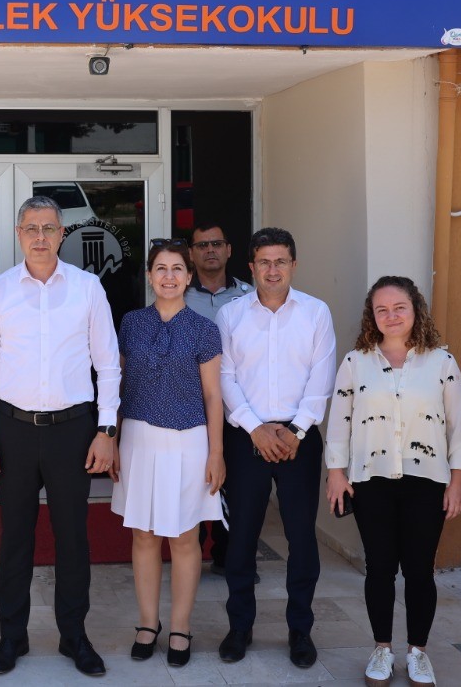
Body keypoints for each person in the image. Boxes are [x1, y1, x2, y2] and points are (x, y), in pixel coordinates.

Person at [0, 195, 121, 677]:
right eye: (31, 228)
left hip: (72, 431)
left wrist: (106, 430)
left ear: (62, 234)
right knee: (15, 538)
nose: (40, 237)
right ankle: (11, 637)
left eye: (49, 228)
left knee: (73, 538)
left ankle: (74, 636)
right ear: (18, 234)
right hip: (11, 431)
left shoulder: (88, 288)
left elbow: (108, 365)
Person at [325, 276, 461, 686]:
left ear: (415, 309)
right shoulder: (356, 362)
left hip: (427, 481)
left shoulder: (441, 363)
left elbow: (460, 427)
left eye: (399, 307)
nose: (391, 316)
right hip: (370, 480)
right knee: (379, 568)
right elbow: (339, 422)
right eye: (382, 309)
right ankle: (382, 650)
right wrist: (335, 473)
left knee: (420, 570)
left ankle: (418, 652)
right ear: (371, 316)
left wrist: (458, 481)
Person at [215, 227, 335, 669]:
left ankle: (300, 629)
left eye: (280, 261)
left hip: (299, 440)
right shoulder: (230, 315)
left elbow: (322, 376)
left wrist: (295, 430)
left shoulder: (316, 313)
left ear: (293, 265)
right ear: (251, 267)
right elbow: (225, 377)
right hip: (245, 437)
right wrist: (255, 429)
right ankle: (239, 627)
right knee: (241, 538)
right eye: (263, 262)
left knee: (301, 538)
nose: (272, 270)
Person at [111, 239, 225, 668]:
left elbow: (213, 396)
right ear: (149, 275)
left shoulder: (204, 329)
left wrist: (216, 453)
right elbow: (118, 387)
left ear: (189, 276)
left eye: (178, 268)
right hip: (137, 439)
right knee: (143, 533)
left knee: (184, 536)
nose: (169, 276)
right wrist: (112, 439)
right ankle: (147, 623)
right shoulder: (130, 323)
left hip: (189, 441)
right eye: (161, 268)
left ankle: (180, 626)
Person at [181, 221, 253, 577]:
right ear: (191, 254)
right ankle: (191, 556)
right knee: (194, 485)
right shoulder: (177, 295)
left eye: (217, 244)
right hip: (191, 407)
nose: (210, 250)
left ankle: (230, 557)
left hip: (237, 408)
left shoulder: (250, 296)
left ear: (228, 250)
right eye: (202, 245)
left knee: (237, 487)